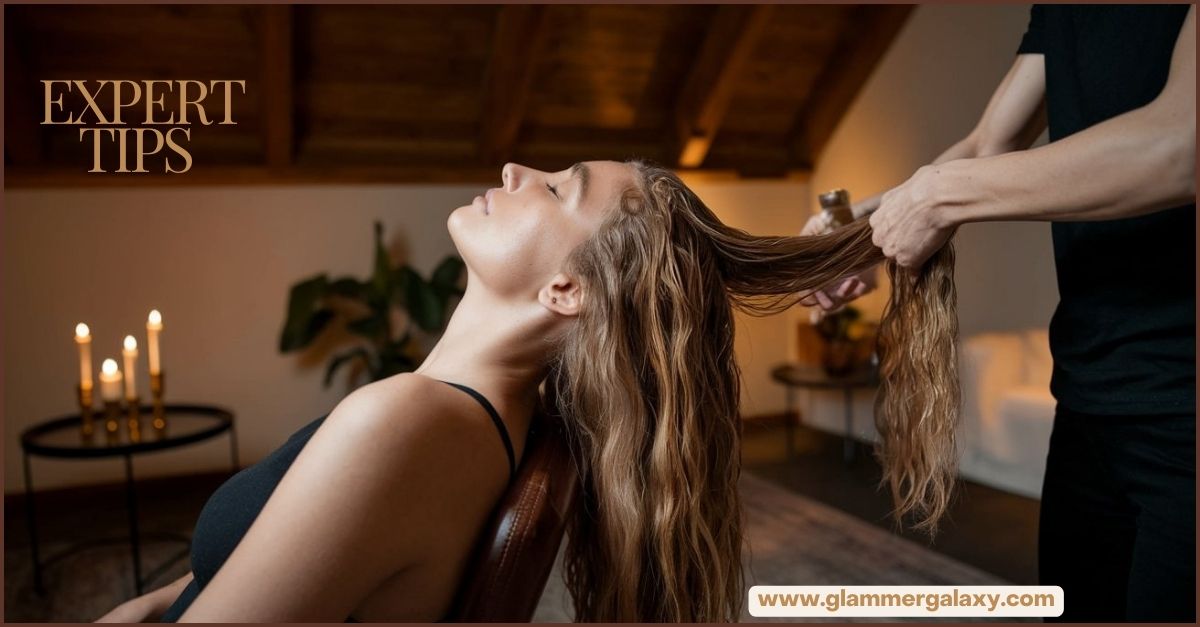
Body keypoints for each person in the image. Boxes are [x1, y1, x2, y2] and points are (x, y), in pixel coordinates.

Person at [97, 158, 959, 623]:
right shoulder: (483, 421)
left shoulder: (403, 424)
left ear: (567, 290)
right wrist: (161, 598)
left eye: (555, 187)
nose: (514, 168)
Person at [802, 5, 1195, 622]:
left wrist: (938, 199)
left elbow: (1182, 144)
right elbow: (990, 142)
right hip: (1090, 400)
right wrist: (860, 232)